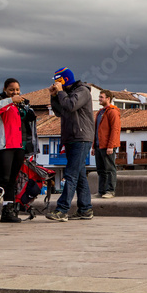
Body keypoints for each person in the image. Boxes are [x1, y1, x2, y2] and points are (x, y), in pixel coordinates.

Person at [0, 78, 38, 224]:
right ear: (5, 89)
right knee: (3, 179)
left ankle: (7, 212)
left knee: (12, 181)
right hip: (4, 145)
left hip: (19, 146)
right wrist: (10, 100)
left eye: (17, 90)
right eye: (11, 90)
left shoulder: (21, 105)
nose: (15, 92)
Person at [46, 68, 93, 221]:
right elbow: (60, 110)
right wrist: (54, 96)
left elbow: (71, 105)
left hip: (81, 137)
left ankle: (62, 210)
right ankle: (85, 209)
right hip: (71, 137)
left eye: (58, 81)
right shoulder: (65, 93)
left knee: (70, 174)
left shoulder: (82, 91)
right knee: (79, 176)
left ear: (65, 80)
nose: (56, 84)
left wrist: (60, 92)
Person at [94, 89, 121, 199]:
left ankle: (110, 190)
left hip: (107, 146)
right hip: (98, 145)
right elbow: (96, 130)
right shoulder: (100, 112)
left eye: (101, 97)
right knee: (101, 170)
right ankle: (101, 191)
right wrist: (93, 146)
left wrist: (111, 146)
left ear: (108, 98)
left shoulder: (113, 112)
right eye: (99, 97)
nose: (99, 99)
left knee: (110, 169)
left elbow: (115, 129)